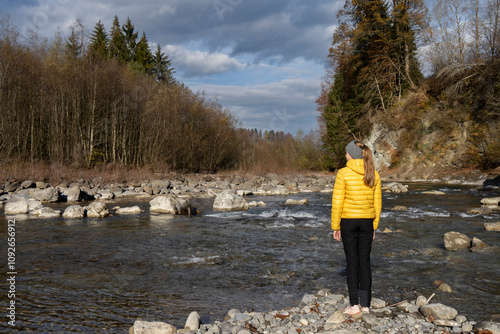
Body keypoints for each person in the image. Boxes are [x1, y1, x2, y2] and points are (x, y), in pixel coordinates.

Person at [331, 140, 382, 315]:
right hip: (367, 221)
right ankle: (366, 306)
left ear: (350, 154)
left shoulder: (343, 173)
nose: (345, 155)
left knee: (352, 262)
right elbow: (377, 203)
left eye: (346, 152)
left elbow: (338, 201)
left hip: (348, 221)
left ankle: (354, 306)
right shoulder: (373, 173)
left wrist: (335, 225)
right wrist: (374, 225)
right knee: (365, 262)